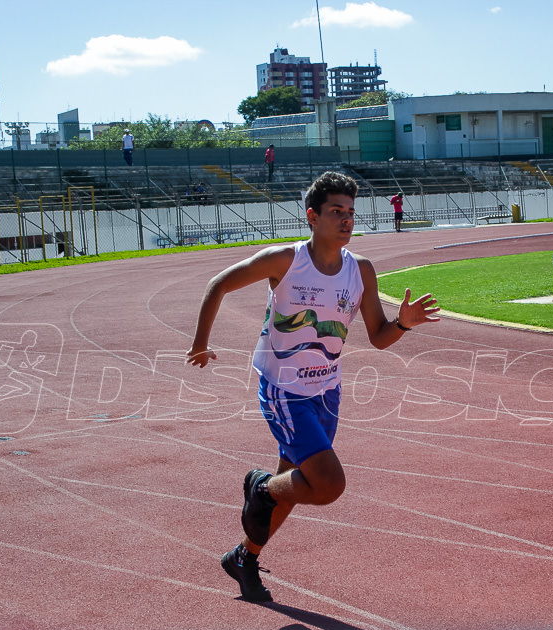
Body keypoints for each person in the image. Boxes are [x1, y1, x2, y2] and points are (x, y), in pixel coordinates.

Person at [186, 171, 440, 602]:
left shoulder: (360, 270)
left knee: (297, 481)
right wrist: (200, 343)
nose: (346, 220)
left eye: (350, 212)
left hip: (328, 390)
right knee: (326, 484)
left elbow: (378, 336)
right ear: (312, 216)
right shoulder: (285, 260)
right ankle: (259, 487)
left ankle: (244, 557)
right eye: (336, 212)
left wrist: (402, 323)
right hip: (284, 388)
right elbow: (219, 285)